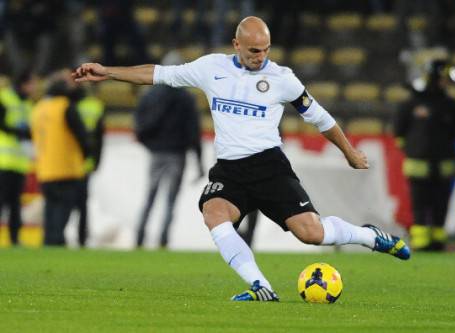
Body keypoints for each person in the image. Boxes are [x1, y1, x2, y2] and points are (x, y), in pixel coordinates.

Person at [73, 16, 410, 302]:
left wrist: (350, 153)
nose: (260, 57)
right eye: (252, 51)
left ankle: (369, 237)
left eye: (264, 50)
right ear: (236, 44)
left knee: (312, 234)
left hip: (269, 167)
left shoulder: (282, 78)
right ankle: (260, 285)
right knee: (214, 213)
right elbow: (158, 73)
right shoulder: (211, 68)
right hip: (231, 170)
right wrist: (108, 71)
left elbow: (321, 118)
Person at [134, 53, 204, 249]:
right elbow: (193, 131)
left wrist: (149, 144)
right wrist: (198, 161)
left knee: (150, 196)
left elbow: (139, 123)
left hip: (156, 153)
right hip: (177, 154)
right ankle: (163, 240)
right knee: (170, 200)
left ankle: (139, 237)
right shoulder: (186, 98)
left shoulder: (150, 94)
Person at [394, 60, 455, 252]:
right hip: (418, 163)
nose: (446, 83)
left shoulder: (452, 106)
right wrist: (413, 151)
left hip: (444, 163)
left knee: (441, 202)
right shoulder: (411, 104)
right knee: (420, 203)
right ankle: (421, 241)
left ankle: (438, 240)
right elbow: (399, 132)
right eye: (443, 78)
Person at [31, 69, 90, 246]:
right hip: (66, 168)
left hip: (44, 169)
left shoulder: (39, 107)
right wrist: (87, 154)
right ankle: (56, 242)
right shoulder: (65, 106)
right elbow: (82, 136)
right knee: (63, 210)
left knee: (50, 209)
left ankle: (48, 242)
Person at [0, 71, 37, 245]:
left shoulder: (29, 104)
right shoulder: (4, 98)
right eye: (32, 84)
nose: (34, 87)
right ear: (23, 84)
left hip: (20, 163)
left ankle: (15, 239)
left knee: (15, 205)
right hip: (3, 161)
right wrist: (20, 132)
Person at [75, 86, 105, 247]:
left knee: (66, 203)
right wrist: (97, 160)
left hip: (69, 162)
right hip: (85, 163)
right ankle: (81, 238)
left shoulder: (67, 103)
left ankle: (55, 237)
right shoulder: (95, 105)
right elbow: (99, 137)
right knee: (82, 204)